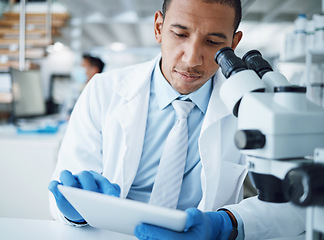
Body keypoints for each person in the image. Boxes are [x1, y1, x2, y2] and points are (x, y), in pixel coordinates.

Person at [48, 0, 305, 239]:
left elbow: (299, 202)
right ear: (159, 27)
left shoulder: (256, 104)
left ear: (233, 44)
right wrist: (77, 210)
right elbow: (64, 193)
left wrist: (227, 223)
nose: (192, 59)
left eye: (213, 42)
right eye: (180, 34)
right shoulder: (103, 91)